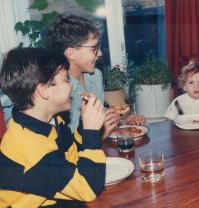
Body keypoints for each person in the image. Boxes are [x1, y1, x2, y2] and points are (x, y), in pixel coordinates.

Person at [0, 47, 106, 207]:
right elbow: (88, 188)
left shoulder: (51, 121)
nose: (71, 86)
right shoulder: (29, 149)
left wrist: (85, 125)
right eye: (66, 80)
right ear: (43, 91)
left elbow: (71, 157)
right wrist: (91, 133)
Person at [46, 13, 144, 138]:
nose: (100, 53)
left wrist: (122, 120)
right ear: (71, 53)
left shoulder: (95, 76)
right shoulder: (58, 92)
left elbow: (100, 115)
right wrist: (103, 135)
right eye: (94, 49)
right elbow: (67, 146)